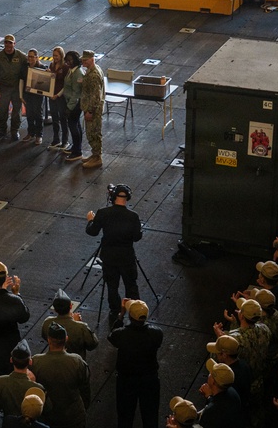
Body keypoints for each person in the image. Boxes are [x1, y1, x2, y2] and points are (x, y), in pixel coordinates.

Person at [86, 183, 142, 328]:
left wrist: (90, 220)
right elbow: (137, 237)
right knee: (131, 285)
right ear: (128, 198)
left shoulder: (103, 213)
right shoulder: (133, 216)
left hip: (109, 257)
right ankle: (136, 312)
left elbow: (92, 232)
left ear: (112, 197)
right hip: (127, 257)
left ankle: (114, 311)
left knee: (112, 285)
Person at [107, 299, 162, 428]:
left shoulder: (121, 334)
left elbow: (111, 336)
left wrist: (121, 315)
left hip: (126, 380)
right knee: (150, 416)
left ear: (130, 316)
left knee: (125, 416)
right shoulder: (157, 333)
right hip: (150, 379)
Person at [30, 323, 91, 428]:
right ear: (66, 339)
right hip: (73, 416)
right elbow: (85, 387)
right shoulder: (77, 361)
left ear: (49, 340)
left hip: (48, 416)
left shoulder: (36, 361)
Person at [0, 34, 25, 141]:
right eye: (6, 42)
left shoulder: (21, 56)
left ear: (14, 44)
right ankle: (2, 130)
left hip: (16, 89)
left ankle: (15, 131)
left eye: (10, 43)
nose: (8, 45)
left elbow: (32, 63)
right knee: (2, 111)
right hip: (4, 88)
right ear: (4, 43)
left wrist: (43, 68)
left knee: (16, 111)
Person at [79, 50, 105, 169]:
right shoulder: (93, 70)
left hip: (93, 110)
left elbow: (96, 96)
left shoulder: (93, 75)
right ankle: (94, 155)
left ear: (92, 59)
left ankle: (97, 157)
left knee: (93, 132)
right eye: (83, 59)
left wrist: (90, 111)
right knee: (92, 132)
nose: (83, 61)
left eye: (86, 60)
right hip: (92, 108)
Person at [62, 50, 84, 161]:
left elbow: (76, 93)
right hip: (72, 102)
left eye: (70, 60)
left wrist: (69, 108)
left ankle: (77, 151)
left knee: (73, 126)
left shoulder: (78, 73)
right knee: (76, 125)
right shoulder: (72, 71)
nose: (68, 62)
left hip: (75, 104)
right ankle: (76, 147)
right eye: (67, 60)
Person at [47, 46, 70, 150]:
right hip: (52, 96)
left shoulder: (65, 68)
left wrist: (57, 95)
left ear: (61, 56)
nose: (54, 57)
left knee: (63, 118)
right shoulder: (51, 65)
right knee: (55, 118)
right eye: (53, 55)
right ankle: (56, 139)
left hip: (60, 97)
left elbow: (66, 85)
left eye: (56, 55)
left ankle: (65, 141)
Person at [21, 49, 46, 145]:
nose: (30, 58)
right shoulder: (25, 67)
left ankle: (39, 135)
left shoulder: (42, 67)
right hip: (27, 94)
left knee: (38, 115)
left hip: (37, 95)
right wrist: (21, 95)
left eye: (32, 56)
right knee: (29, 114)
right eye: (29, 56)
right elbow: (21, 80)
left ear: (37, 57)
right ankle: (31, 133)